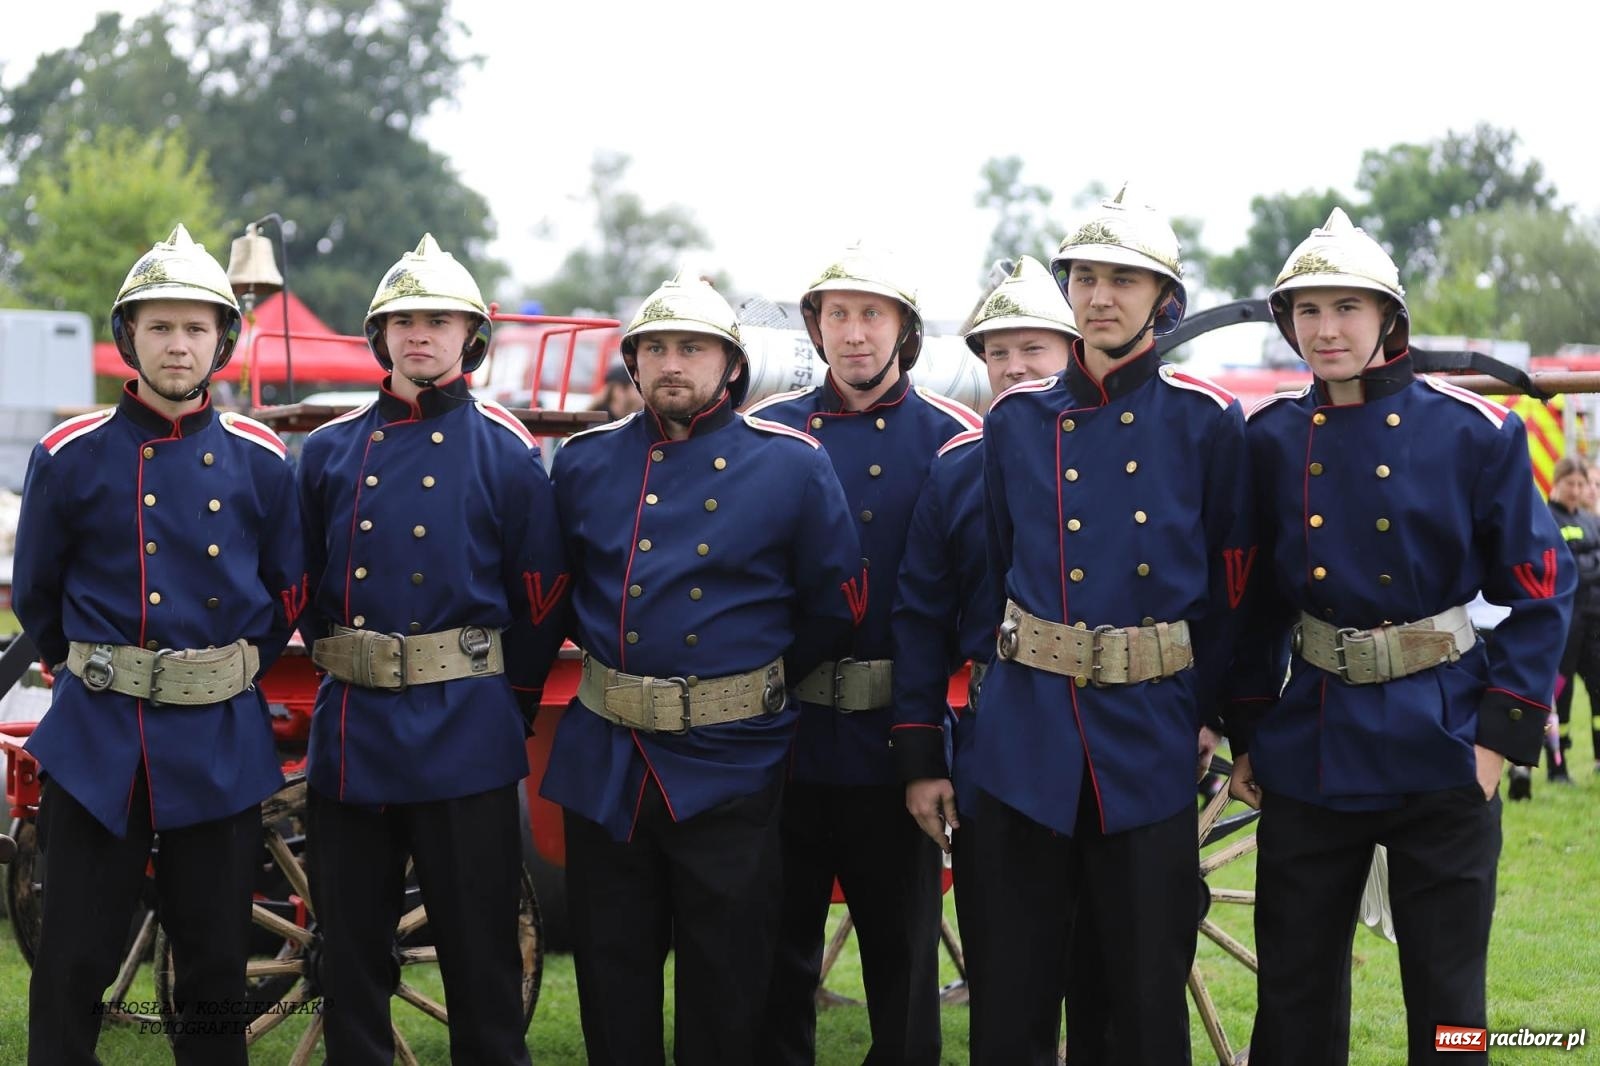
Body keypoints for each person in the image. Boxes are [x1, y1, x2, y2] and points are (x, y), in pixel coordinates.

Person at [1225, 208, 1573, 1064]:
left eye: (1347, 306)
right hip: (1311, 742)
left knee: (1451, 1005)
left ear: (1388, 317)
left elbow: (1541, 589)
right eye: (1308, 310)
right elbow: (1249, 604)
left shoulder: (1474, 432)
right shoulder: (1268, 439)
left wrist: (1497, 743)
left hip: (1443, 736)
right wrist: (1247, 733)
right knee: (1295, 992)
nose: (1326, 328)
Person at [540, 272, 862, 1065]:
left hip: (732, 760)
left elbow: (835, 605)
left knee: (728, 991)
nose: (672, 363)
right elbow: (554, 591)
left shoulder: (790, 465)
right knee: (613, 988)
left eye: (693, 347)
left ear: (731, 366)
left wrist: (741, 688)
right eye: (655, 348)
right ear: (633, 363)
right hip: (608, 758)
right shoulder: (583, 464)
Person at [971, 187, 1253, 1065]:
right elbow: (992, 570)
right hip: (1029, 735)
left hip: (1149, 733)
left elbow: (1232, 588)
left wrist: (1213, 712)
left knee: (1140, 996)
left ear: (1163, 298)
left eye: (1122, 280)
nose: (1100, 297)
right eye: (1085, 278)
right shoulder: (1017, 421)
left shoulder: (1207, 423)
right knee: (1013, 995)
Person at [14, 224, 304, 1065]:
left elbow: (285, 591)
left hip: (216, 742)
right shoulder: (68, 455)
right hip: (100, 739)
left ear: (221, 340)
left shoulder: (259, 459)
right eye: (161, 326)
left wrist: (216, 671)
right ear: (129, 337)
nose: (178, 344)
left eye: (194, 327)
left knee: (215, 968)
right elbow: (39, 596)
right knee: (71, 961)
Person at [296, 234, 567, 1065]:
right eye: (404, 320)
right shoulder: (330, 451)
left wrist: (503, 703)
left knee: (480, 959)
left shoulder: (507, 450)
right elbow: (301, 586)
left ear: (469, 338)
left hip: (464, 734)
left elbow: (542, 597)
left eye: (439, 321)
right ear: (380, 337)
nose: (420, 334)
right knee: (350, 958)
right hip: (354, 735)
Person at [751, 242, 979, 1066]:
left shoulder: (956, 441)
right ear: (815, 328)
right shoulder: (765, 436)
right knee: (778, 952)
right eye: (837, 314)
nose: (853, 333)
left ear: (904, 329)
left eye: (871, 314)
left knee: (904, 958)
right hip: (787, 733)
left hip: (897, 737)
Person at [1544, 455, 1600, 785]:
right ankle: (1556, 766)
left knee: (1598, 691)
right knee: (1558, 697)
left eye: (1582, 484)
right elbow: (1563, 568)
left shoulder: (1590, 520)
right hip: (1562, 625)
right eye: (1571, 484)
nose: (1577, 490)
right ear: (1557, 482)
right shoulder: (1546, 518)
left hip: (1592, 622)